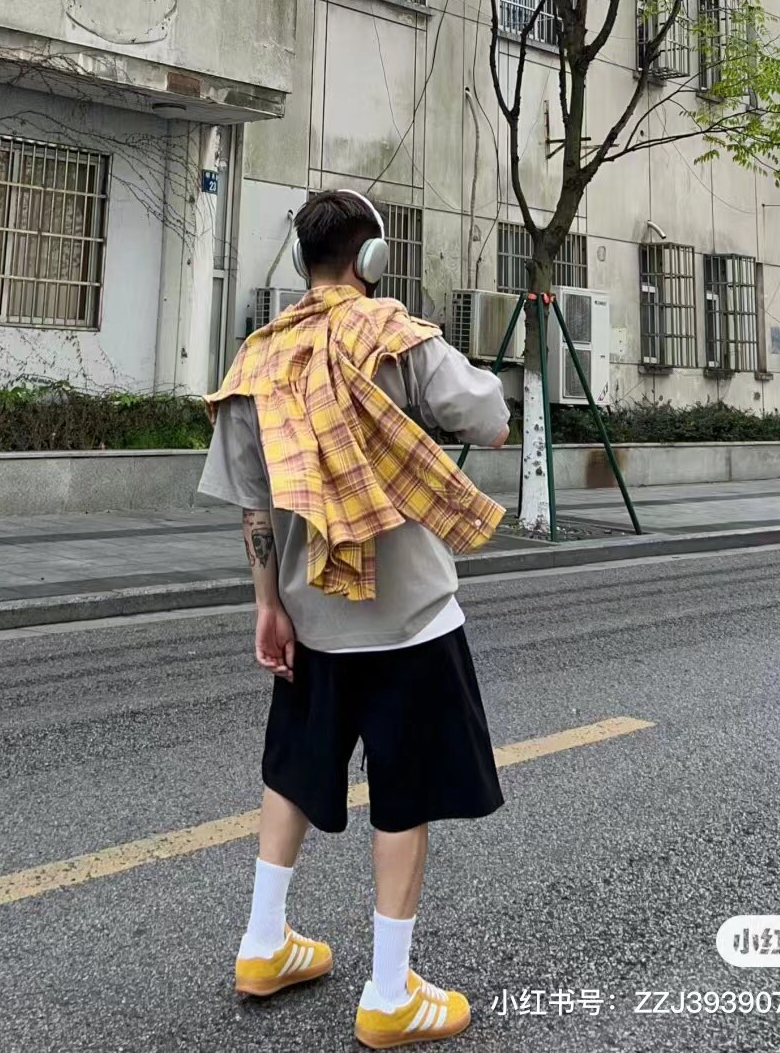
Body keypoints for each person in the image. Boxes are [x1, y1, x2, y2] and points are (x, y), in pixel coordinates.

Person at [199, 188, 511, 1049]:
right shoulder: (395, 337)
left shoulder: (259, 358)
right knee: (403, 791)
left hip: (310, 613)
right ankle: (389, 992)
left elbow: (256, 508)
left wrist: (268, 604)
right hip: (410, 618)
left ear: (302, 260)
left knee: (293, 768)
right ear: (372, 259)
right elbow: (490, 419)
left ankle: (264, 943)